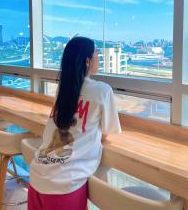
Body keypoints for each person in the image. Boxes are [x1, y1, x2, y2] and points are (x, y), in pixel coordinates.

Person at [28, 36, 121, 210]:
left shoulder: (63, 88)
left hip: (37, 178)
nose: (98, 57)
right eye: (96, 53)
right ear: (87, 61)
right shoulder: (103, 90)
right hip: (64, 186)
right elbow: (107, 132)